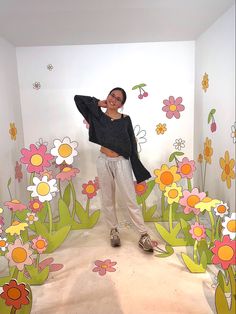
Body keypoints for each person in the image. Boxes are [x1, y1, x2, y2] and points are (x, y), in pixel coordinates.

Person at [74, 87, 154, 252]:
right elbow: (78, 99)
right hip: (103, 161)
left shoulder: (126, 119)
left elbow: (132, 143)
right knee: (107, 197)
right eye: (112, 95)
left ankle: (143, 234)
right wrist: (97, 103)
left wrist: (136, 167)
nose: (114, 100)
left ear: (121, 104)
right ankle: (113, 230)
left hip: (121, 162)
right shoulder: (98, 116)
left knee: (130, 199)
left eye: (118, 99)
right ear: (108, 96)